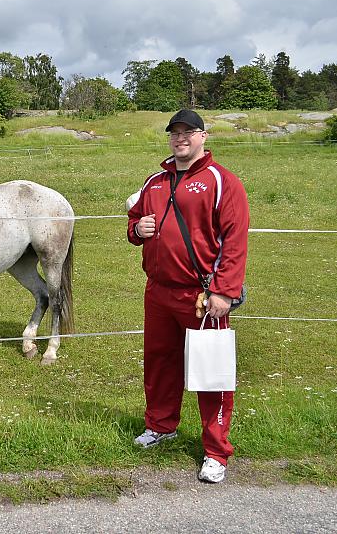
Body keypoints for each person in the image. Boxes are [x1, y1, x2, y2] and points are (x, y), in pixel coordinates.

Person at [125, 109, 249, 483]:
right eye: (175, 133)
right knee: (160, 362)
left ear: (203, 136)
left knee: (212, 371)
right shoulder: (155, 181)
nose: (181, 138)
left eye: (188, 132)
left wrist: (224, 291)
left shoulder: (221, 181)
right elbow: (134, 225)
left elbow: (235, 240)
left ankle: (216, 451)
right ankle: (162, 426)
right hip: (158, 291)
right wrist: (138, 228)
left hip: (202, 295)